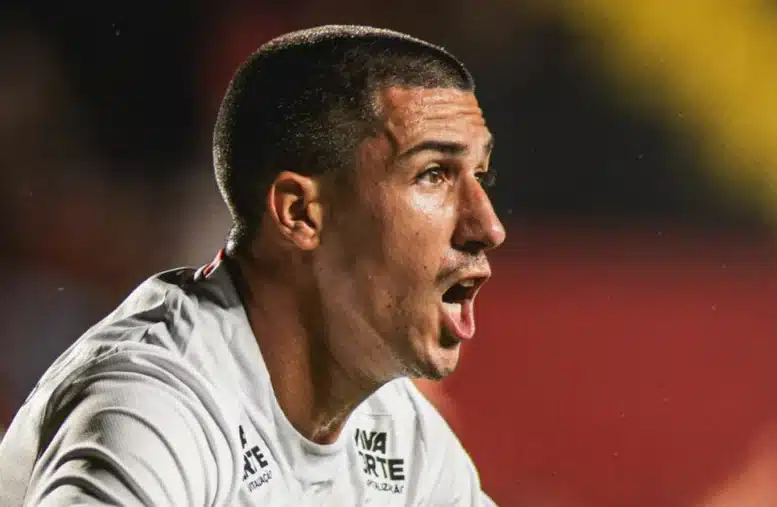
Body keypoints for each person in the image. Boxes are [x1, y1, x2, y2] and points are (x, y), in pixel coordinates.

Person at [0, 25, 505, 506]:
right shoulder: (152, 406)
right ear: (300, 213)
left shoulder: (396, 430)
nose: (488, 226)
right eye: (433, 174)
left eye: (480, 176)